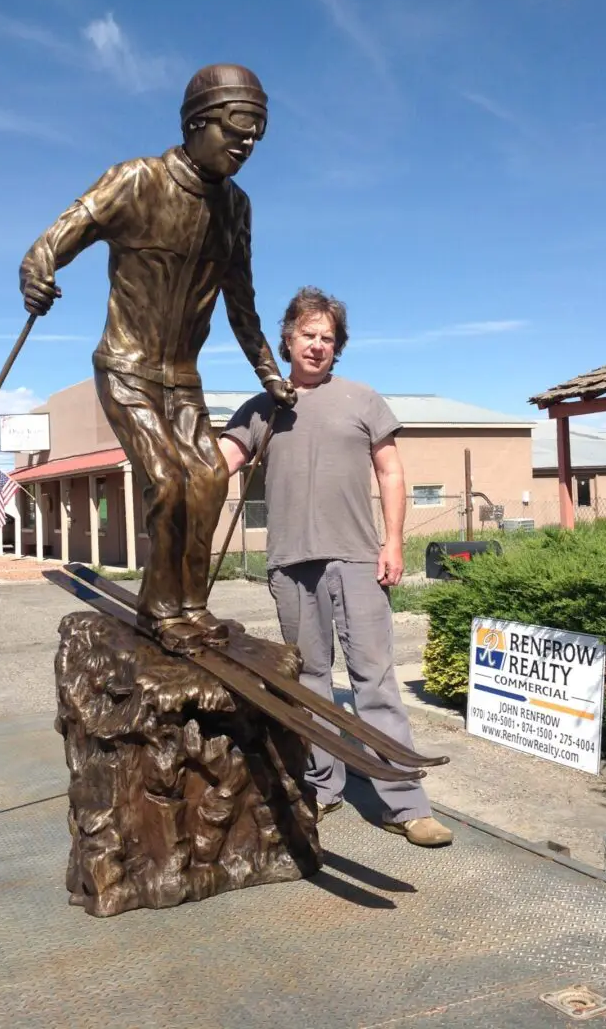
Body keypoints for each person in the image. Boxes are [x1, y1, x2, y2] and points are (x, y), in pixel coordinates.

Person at [19, 64, 295, 655]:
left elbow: (242, 303)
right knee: (167, 483)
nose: (247, 145)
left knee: (210, 479)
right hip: (126, 367)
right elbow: (51, 243)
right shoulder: (137, 181)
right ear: (197, 123)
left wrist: (271, 375)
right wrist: (38, 274)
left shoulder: (236, 208)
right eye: (237, 128)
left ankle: (190, 607)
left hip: (184, 380)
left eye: (257, 135)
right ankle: (159, 610)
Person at [218, 287, 452, 847]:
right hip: (291, 565)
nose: (318, 346)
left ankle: (406, 804)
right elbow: (219, 464)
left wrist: (392, 543)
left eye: (328, 338)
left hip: (357, 558)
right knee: (312, 684)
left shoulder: (363, 399)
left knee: (375, 681)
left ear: (337, 346)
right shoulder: (263, 408)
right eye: (308, 335)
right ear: (287, 340)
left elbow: (392, 474)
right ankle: (322, 789)